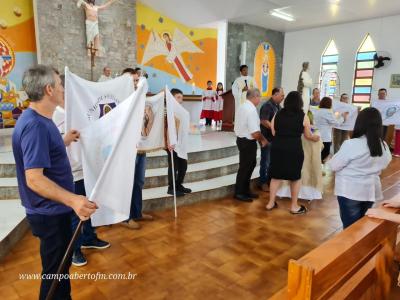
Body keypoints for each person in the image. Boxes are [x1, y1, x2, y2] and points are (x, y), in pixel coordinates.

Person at [12, 65, 97, 299]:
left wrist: (64, 140)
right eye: (60, 85)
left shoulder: (39, 119)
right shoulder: (35, 126)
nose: (63, 90)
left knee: (60, 268)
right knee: (55, 272)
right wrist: (73, 200)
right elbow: (34, 179)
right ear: (49, 89)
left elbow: (43, 150)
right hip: (50, 213)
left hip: (52, 210)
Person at [53, 75, 110, 266]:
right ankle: (74, 250)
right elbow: (52, 148)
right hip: (70, 173)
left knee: (89, 207)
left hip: (87, 169)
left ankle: (88, 238)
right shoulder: (56, 116)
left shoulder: (81, 112)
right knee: (75, 213)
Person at [328, 107, 392, 229]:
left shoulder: (352, 144)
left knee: (350, 229)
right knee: (362, 226)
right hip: (370, 190)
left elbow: (334, 165)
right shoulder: (382, 145)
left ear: (360, 123)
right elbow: (385, 163)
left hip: (350, 191)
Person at [266, 91, 320, 214]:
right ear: (300, 102)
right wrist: (314, 138)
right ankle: (294, 206)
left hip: (278, 148)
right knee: (295, 177)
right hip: (294, 149)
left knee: (275, 176)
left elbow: (273, 132)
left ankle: (270, 203)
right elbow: (307, 135)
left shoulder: (278, 114)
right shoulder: (303, 116)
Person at [120, 69, 154, 229]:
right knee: (126, 183)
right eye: (132, 81)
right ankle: (125, 217)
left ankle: (137, 212)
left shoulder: (140, 98)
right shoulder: (120, 100)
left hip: (140, 147)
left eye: (136, 80)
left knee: (138, 182)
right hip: (127, 149)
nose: (135, 84)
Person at [234, 88, 268, 202]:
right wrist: (263, 140)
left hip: (241, 140)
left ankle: (245, 190)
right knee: (245, 167)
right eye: (260, 97)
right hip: (247, 142)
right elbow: (255, 132)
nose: (260, 99)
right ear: (255, 97)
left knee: (248, 165)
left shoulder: (242, 106)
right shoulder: (251, 110)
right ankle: (239, 192)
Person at [258, 87, 284, 192]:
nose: (283, 97)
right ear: (275, 94)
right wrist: (275, 129)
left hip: (274, 138)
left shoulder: (278, 106)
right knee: (265, 161)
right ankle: (263, 182)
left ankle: (269, 180)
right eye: (282, 95)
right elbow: (264, 121)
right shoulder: (267, 106)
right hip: (267, 138)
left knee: (272, 162)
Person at [166, 88, 191, 197]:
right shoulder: (168, 110)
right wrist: (169, 141)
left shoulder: (180, 110)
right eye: (178, 97)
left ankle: (178, 184)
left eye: (182, 97)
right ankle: (171, 187)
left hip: (181, 144)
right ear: (172, 98)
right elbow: (166, 127)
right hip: (172, 143)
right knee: (173, 166)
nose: (181, 100)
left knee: (183, 166)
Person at [313, 97, 347, 163]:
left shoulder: (317, 111)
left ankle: (318, 169)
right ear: (329, 104)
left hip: (317, 134)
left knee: (318, 154)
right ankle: (320, 170)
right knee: (324, 154)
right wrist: (343, 118)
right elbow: (336, 123)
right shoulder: (327, 112)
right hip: (325, 137)